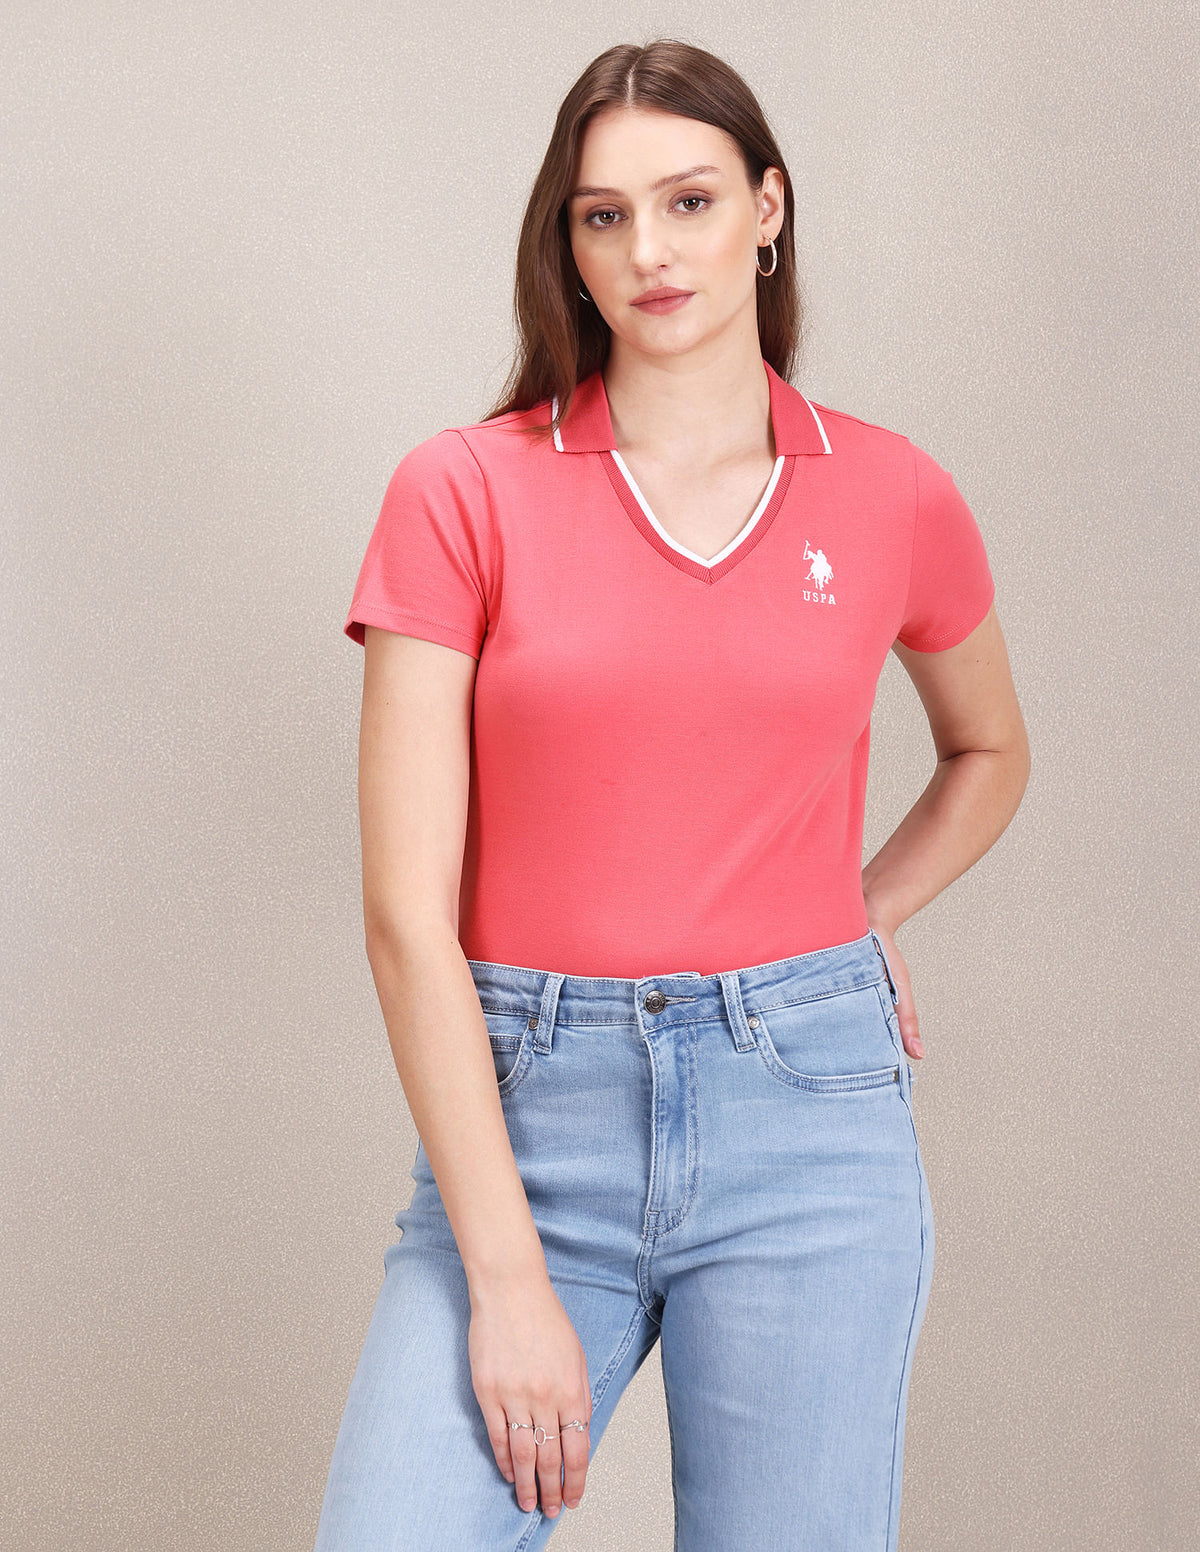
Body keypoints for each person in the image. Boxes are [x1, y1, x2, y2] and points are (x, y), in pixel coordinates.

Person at [312, 36, 1030, 1552]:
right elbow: (403, 918)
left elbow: (989, 751)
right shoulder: (464, 491)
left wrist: (860, 913)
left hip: (809, 1127)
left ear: (768, 209)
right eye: (605, 215)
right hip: (527, 1120)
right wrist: (506, 1277)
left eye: (689, 201)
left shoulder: (892, 491)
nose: (649, 250)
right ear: (567, 247)